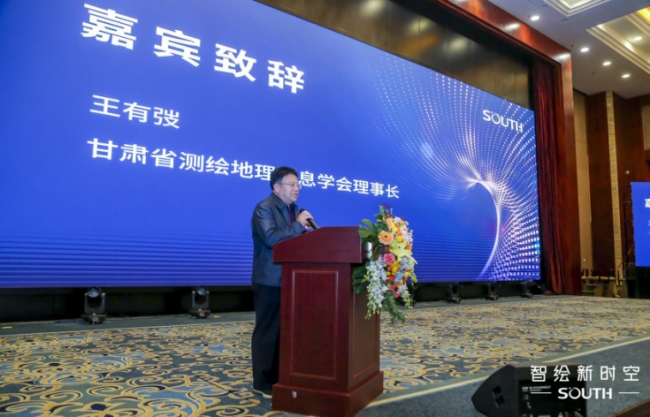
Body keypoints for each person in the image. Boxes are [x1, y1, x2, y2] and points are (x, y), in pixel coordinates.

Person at [250, 166, 313, 399]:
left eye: (298, 184)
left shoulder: (294, 210)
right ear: (276, 187)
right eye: (291, 184)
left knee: (285, 332)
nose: (296, 189)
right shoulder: (264, 208)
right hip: (269, 280)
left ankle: (281, 376)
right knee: (268, 332)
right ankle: (262, 382)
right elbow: (271, 238)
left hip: (290, 279)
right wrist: (298, 226)